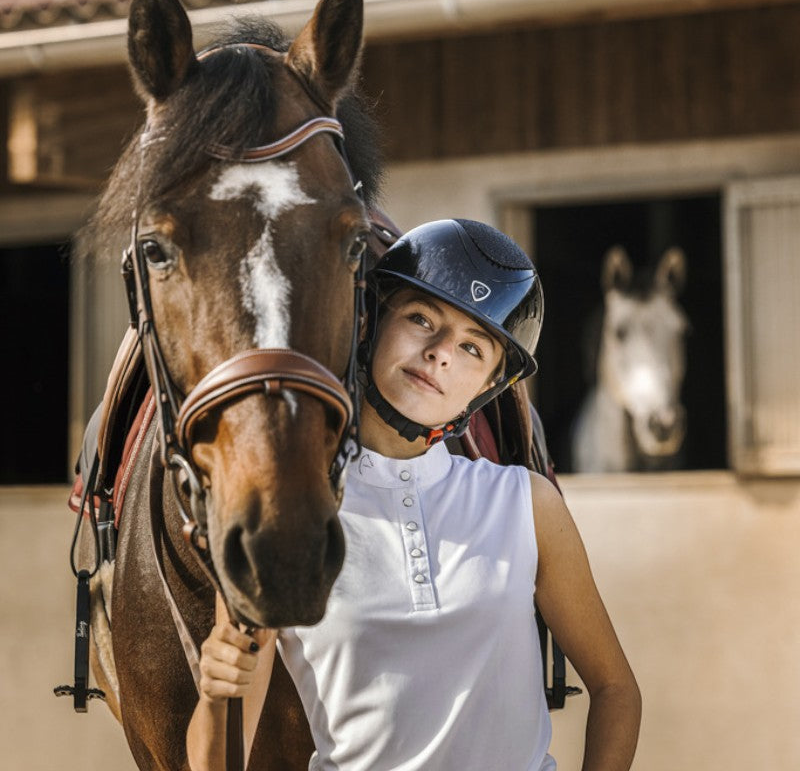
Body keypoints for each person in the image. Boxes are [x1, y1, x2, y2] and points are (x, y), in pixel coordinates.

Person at [186, 219, 642, 771]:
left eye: (474, 347)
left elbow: (616, 689)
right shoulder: (283, 520)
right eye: (422, 319)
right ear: (371, 324)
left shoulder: (529, 503)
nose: (442, 352)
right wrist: (216, 693)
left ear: (489, 386)